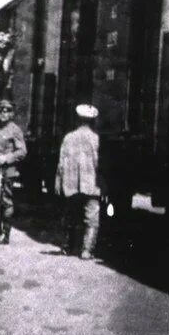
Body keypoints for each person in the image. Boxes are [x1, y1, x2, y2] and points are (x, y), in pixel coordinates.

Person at [56, 103, 103, 259]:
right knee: (91, 217)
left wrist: (58, 182)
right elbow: (99, 163)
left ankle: (66, 247)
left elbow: (61, 163)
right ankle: (86, 250)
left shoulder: (68, 138)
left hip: (71, 184)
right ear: (93, 121)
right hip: (91, 184)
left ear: (77, 120)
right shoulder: (96, 139)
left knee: (70, 215)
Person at [0, 99, 27, 245]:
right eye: (1, 110)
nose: (3, 113)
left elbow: (22, 151)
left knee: (5, 202)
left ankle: (5, 234)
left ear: (12, 113)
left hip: (7, 171)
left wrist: (7, 158)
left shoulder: (14, 129)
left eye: (7, 110)